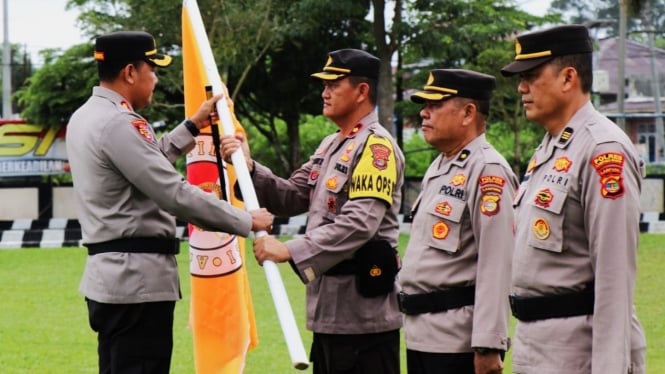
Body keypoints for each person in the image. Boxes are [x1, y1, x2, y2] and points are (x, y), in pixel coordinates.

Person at [66, 31, 273, 374]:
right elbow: (172, 191)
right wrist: (245, 220)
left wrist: (192, 126)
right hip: (138, 282)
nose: (156, 78)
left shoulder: (87, 116)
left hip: (113, 278)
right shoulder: (120, 122)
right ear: (130, 73)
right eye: (152, 68)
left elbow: (142, 165)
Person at [221, 48, 405, 374]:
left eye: (334, 84)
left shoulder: (376, 147)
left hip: (365, 321)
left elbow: (360, 223)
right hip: (329, 313)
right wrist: (249, 169)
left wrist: (289, 249)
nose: (324, 92)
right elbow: (293, 196)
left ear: (362, 91)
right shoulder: (331, 145)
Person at [500, 24, 647, 374]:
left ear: (568, 78)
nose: (521, 87)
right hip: (538, 347)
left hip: (577, 353)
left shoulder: (602, 150)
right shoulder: (551, 147)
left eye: (533, 76)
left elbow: (614, 277)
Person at [398, 69, 517, 374]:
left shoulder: (488, 170)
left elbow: (497, 261)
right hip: (422, 335)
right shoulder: (441, 165)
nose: (424, 112)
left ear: (467, 113)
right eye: (424, 105)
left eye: (435, 104)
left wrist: (489, 343)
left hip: (457, 342)